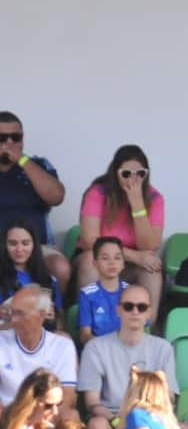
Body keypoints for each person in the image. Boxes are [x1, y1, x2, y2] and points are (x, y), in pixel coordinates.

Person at [79, 284, 186, 429]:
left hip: (151, 415)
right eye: (128, 306)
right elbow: (92, 402)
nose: (135, 311)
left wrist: (144, 418)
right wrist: (117, 422)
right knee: (96, 426)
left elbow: (168, 399)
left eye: (141, 307)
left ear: (149, 313)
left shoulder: (163, 348)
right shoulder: (95, 347)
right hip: (111, 416)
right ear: (118, 310)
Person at [76, 145, 166, 318]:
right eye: (126, 174)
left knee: (152, 268)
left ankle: (146, 328)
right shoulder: (98, 192)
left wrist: (138, 205)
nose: (133, 180)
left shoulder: (154, 198)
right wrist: (133, 255)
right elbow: (89, 240)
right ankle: (90, 324)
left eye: (140, 174)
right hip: (97, 258)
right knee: (89, 260)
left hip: (129, 266)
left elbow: (150, 245)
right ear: (115, 173)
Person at [0, 112, 69, 293]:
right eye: (2, 138)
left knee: (60, 267)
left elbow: (57, 197)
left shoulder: (38, 164)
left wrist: (22, 160)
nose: (9, 143)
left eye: (15, 137)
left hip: (37, 247)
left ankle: (54, 318)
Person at [0, 286, 77, 409]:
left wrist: (39, 420)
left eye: (20, 314)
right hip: (8, 417)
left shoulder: (63, 345)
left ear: (41, 315)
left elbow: (68, 395)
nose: (14, 320)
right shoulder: (1, 341)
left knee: (71, 417)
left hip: (48, 415)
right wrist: (16, 423)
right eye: (12, 313)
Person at [1, 220, 62, 324]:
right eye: (13, 243)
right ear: (4, 246)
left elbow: (59, 321)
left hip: (39, 335)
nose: (19, 249)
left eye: (25, 243)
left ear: (34, 245)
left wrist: (52, 319)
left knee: (64, 337)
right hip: (5, 333)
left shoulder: (48, 279)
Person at [76, 237, 129, 345]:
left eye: (117, 258)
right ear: (95, 263)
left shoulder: (131, 292)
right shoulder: (87, 294)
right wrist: (105, 348)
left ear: (123, 263)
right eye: (105, 258)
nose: (112, 263)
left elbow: (140, 329)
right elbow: (85, 335)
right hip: (99, 351)